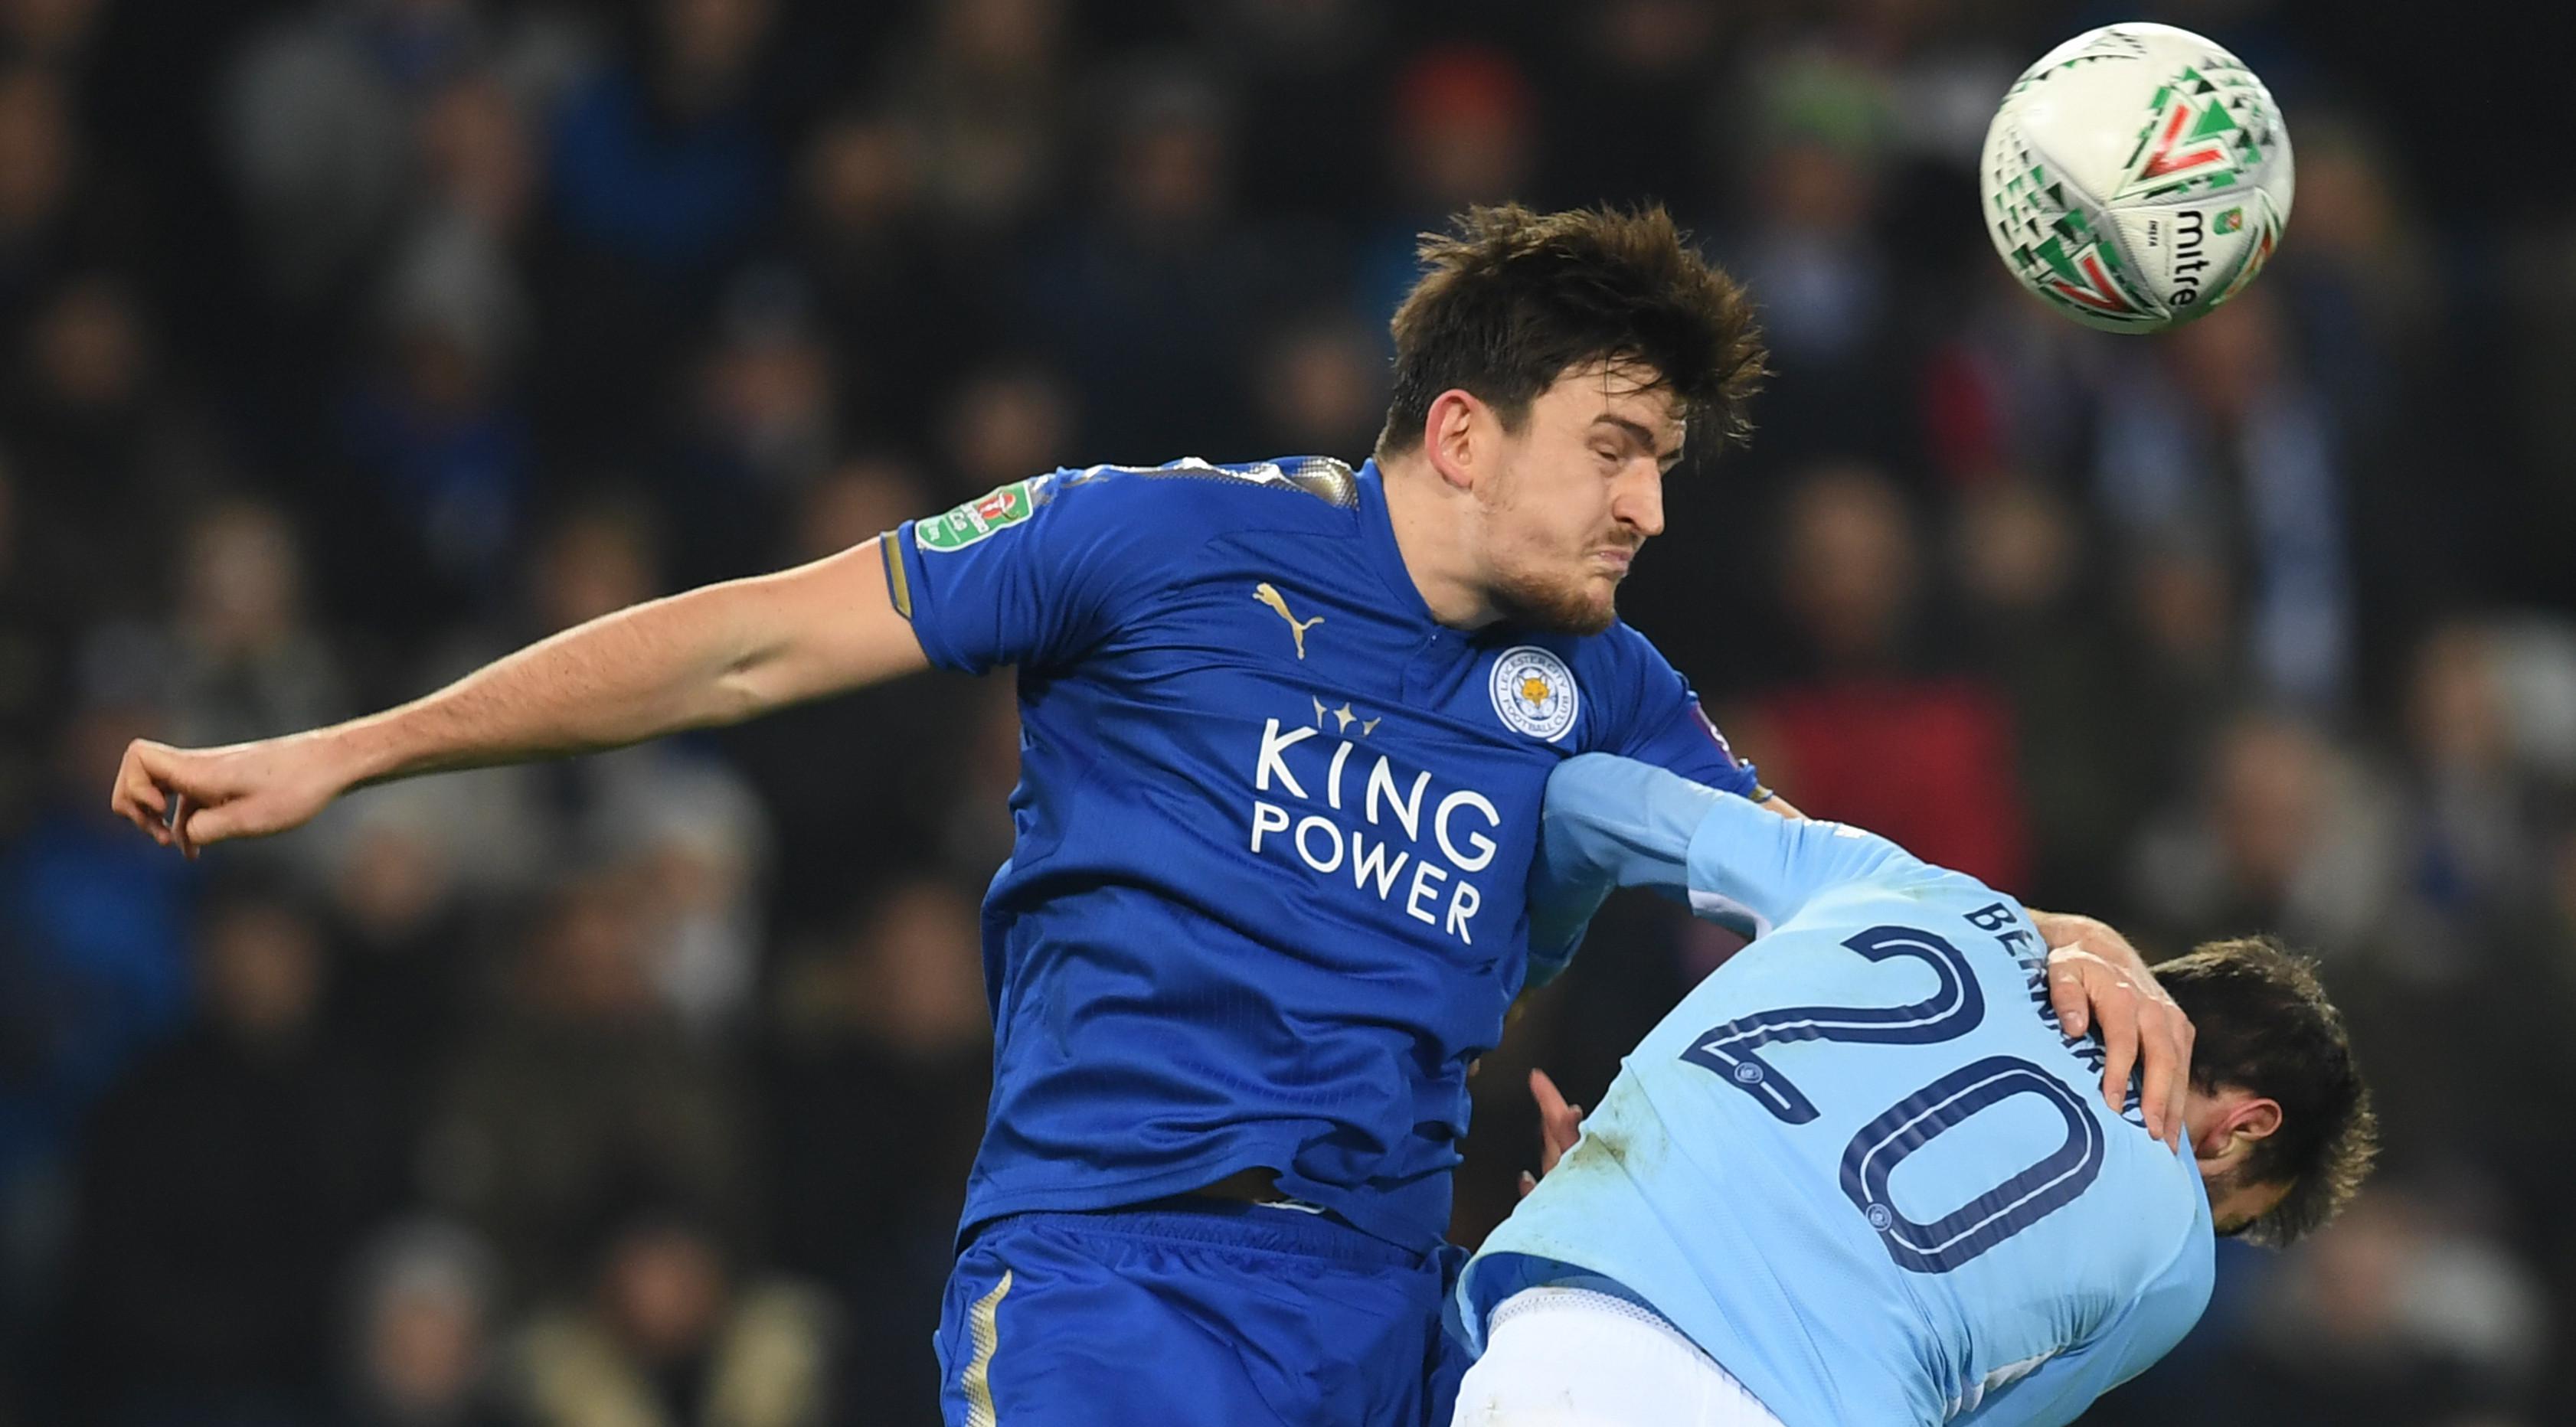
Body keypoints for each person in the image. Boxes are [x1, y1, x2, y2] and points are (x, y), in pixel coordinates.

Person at [108, 204, 2190, 1425]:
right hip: (1120, 1281)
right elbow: (744, 648)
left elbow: (1792, 901)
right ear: (1459, 432)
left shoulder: (1606, 694)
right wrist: (352, 751)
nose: (1650, 509)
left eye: (1668, 468)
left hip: (1397, 1313)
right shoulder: (1149, 548)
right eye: (1617, 449)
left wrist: (2038, 941)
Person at [1452, 754, 2378, 1425]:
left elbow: (1587, 799)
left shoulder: (1904, 885)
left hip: (1571, 1326)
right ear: (2242, 1129)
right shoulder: (2176, 1258)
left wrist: (1522, 980)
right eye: (2230, 1211)